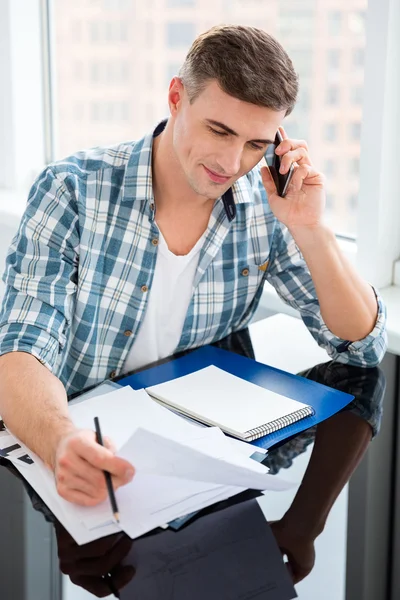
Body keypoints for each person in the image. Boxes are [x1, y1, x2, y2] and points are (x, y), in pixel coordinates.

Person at [0, 25, 387, 508]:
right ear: (176, 97)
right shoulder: (73, 192)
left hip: (193, 465)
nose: (231, 162)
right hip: (77, 448)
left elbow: (361, 346)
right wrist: (62, 443)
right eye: (219, 130)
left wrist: (310, 229)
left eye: (255, 145)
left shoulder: (264, 206)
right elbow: (21, 354)